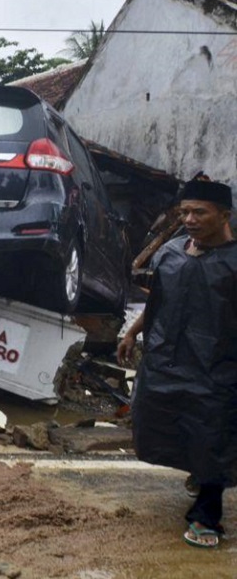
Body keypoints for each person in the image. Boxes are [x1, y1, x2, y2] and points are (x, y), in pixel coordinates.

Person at [117, 177, 237, 549]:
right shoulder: (170, 252)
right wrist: (132, 333)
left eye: (199, 212)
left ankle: (207, 516)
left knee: (212, 431)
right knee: (157, 418)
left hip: (218, 366)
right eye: (184, 212)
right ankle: (202, 473)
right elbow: (157, 303)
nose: (189, 219)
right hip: (167, 358)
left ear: (224, 215)